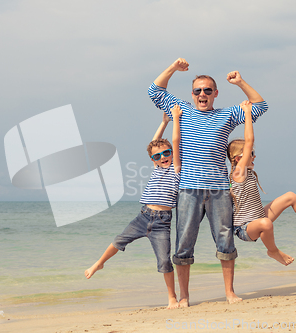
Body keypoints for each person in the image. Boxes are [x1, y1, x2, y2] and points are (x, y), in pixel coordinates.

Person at [148, 58, 268, 305]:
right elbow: (154, 90)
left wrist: (241, 82)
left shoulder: (227, 115)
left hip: (219, 189)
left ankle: (230, 292)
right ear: (192, 94)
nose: (202, 94)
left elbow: (261, 105)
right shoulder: (182, 110)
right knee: (183, 242)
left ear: (215, 93)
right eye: (198, 90)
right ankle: (184, 296)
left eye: (207, 90)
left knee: (225, 239)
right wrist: (173, 68)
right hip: (188, 189)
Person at [84, 105, 183, 309]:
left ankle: (172, 297)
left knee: (164, 261)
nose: (162, 158)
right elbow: (153, 144)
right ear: (152, 160)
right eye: (157, 156)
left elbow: (174, 141)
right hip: (143, 216)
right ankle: (100, 263)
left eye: (166, 153)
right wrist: (163, 122)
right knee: (119, 240)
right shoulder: (156, 167)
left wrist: (175, 121)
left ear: (172, 153)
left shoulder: (176, 168)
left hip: (162, 222)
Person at [228, 101, 296, 266]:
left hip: (258, 218)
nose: (254, 156)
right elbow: (249, 139)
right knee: (266, 223)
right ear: (239, 158)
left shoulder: (248, 173)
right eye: (251, 153)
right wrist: (247, 113)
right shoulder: (238, 172)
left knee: (290, 197)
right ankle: (273, 251)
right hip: (244, 229)